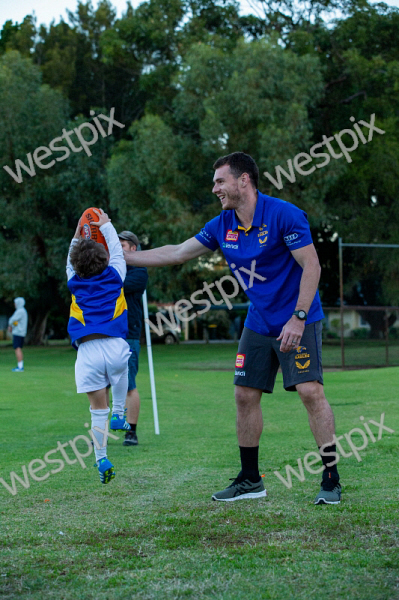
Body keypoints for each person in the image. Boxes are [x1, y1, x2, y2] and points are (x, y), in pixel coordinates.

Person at [123, 152, 342, 505]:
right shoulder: (222, 224)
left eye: (220, 181)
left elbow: (312, 266)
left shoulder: (284, 215)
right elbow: (177, 252)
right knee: (244, 394)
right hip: (259, 320)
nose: (214, 189)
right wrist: (121, 258)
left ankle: (331, 478)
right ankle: (250, 480)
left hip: (298, 316)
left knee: (309, 392)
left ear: (244, 181)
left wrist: (298, 318)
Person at [67, 209, 131, 484]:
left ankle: (101, 457)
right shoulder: (116, 276)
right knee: (122, 370)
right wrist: (106, 226)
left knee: (96, 410)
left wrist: (77, 233)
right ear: (105, 259)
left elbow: (71, 259)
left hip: (87, 353)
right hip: (115, 344)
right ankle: (120, 413)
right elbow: (116, 249)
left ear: (75, 263)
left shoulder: (74, 283)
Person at [117, 231, 148, 446]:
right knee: (101, 385)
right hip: (106, 332)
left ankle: (131, 431)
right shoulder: (110, 268)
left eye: (123, 245)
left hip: (129, 334)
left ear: (133, 248)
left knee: (129, 384)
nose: (118, 248)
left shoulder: (139, 271)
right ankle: (100, 431)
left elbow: (114, 286)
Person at [8, 297, 28, 372]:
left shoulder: (20, 311)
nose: (14, 304)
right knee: (18, 348)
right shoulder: (22, 311)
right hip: (20, 332)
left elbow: (12, 320)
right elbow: (16, 322)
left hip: (19, 332)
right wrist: (12, 326)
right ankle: (20, 365)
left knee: (17, 348)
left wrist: (10, 325)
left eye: (15, 303)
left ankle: (20, 367)